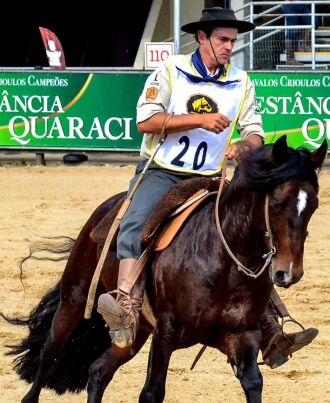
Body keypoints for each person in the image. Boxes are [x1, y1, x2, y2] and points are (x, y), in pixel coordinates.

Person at [97, 7, 318, 369]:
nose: (230, 46)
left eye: (233, 40)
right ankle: (126, 307)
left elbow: (255, 132)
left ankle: (271, 326)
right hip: (163, 172)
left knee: (249, 235)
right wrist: (200, 119)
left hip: (211, 178)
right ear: (201, 38)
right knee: (136, 224)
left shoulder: (241, 82)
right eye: (223, 40)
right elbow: (145, 121)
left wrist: (243, 147)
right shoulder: (170, 70)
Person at [281, 0, 320, 65]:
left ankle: (305, 45)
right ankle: (290, 59)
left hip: (300, 5)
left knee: (315, 21)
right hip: (288, 5)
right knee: (292, 30)